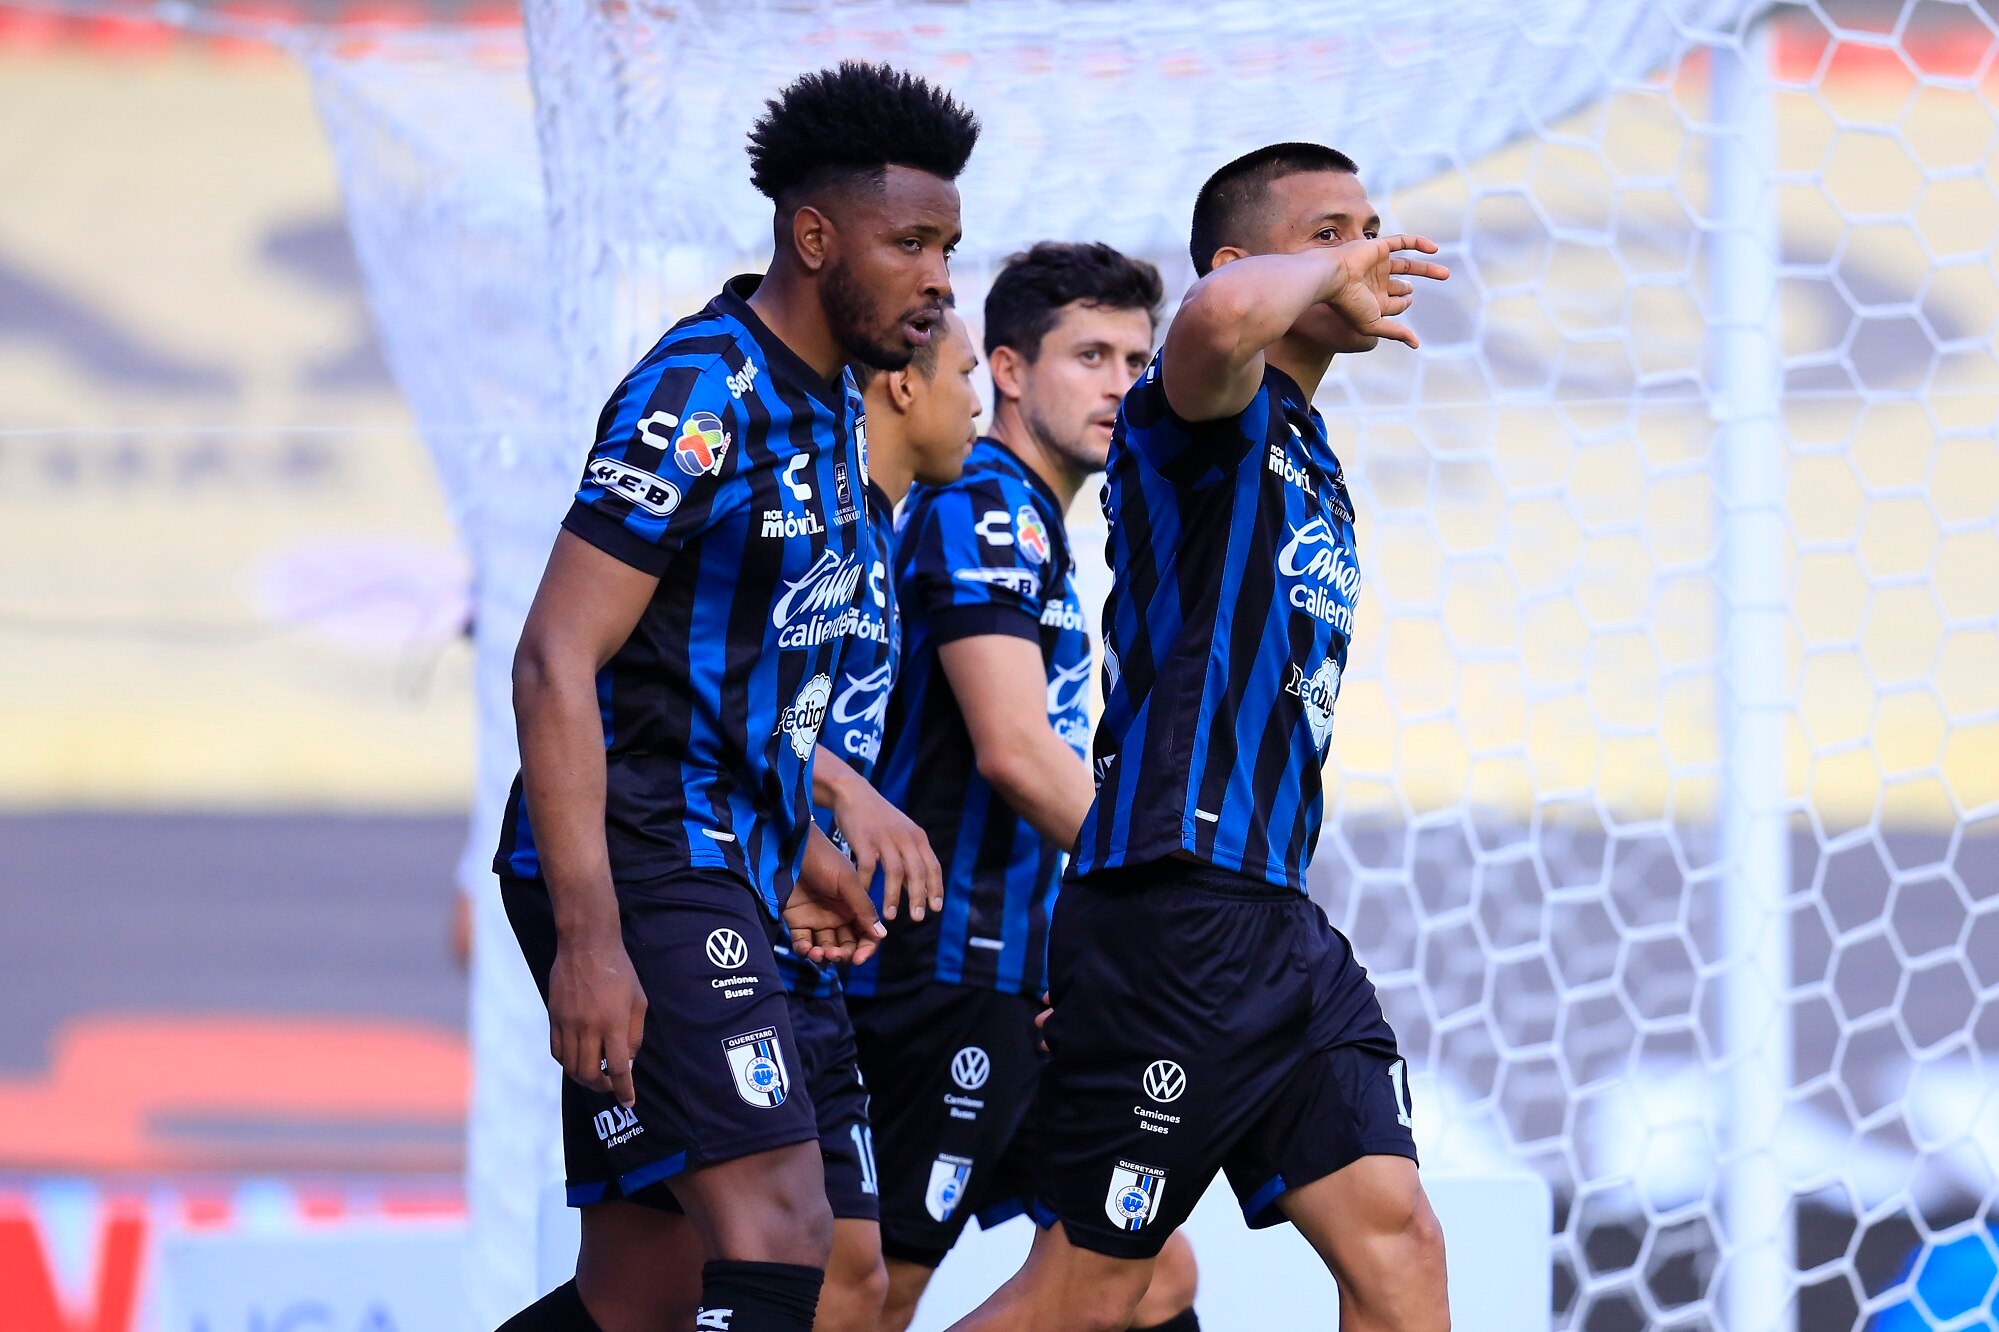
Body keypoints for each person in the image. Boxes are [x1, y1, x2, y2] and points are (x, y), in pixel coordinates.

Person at [489, 63, 979, 1332]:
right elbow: (554, 658)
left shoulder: (829, 409)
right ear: (814, 237)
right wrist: (592, 941)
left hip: (732, 864)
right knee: (783, 1231)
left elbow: (739, 684)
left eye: (949, 248)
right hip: (641, 854)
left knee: (645, 1288)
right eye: (910, 242)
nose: (938, 277)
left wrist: (802, 845)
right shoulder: (700, 392)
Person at [947, 146, 1453, 1332]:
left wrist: (1330, 256)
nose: (1369, 250)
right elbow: (1218, 318)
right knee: (1086, 1294)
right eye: (1331, 232)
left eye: (1373, 225)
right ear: (1247, 263)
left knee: (1399, 1243)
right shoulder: (1198, 414)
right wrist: (1314, 270)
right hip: (1176, 918)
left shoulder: (1306, 448)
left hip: (1272, 921)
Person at [848, 242, 1198, 1332]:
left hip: (1019, 973)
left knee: (1146, 1273)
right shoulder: (983, 506)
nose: (1121, 386)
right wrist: (1164, 895)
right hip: (942, 967)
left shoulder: (1031, 519)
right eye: (1090, 355)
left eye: (1138, 361)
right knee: (867, 1297)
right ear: (1004, 369)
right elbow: (1010, 747)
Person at [646, 307, 984, 1332]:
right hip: (703, 908)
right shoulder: (796, 513)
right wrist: (841, 797)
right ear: (900, 386)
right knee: (777, 1269)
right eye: (966, 373)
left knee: (841, 1279)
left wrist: (810, 842)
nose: (979, 401)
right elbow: (702, 695)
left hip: (792, 924)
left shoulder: (878, 530)